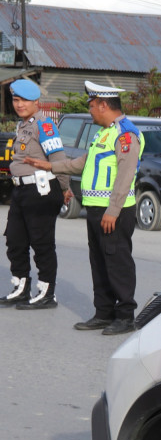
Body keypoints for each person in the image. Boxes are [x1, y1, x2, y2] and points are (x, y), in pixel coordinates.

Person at [25, 81, 144, 335]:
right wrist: (49, 166)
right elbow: (82, 163)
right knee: (99, 262)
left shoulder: (125, 134)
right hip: (96, 209)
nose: (90, 111)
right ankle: (103, 313)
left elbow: (125, 176)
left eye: (91, 106)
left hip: (114, 212)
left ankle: (125, 317)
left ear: (103, 105)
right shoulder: (104, 133)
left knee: (117, 262)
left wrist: (113, 210)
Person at [0, 79, 70, 309]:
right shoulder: (23, 125)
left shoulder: (45, 125)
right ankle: (21, 287)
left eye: (24, 100)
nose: (19, 104)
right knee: (15, 240)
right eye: (16, 100)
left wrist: (64, 188)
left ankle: (47, 292)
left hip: (41, 190)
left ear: (36, 102)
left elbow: (58, 159)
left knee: (42, 243)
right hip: (21, 190)